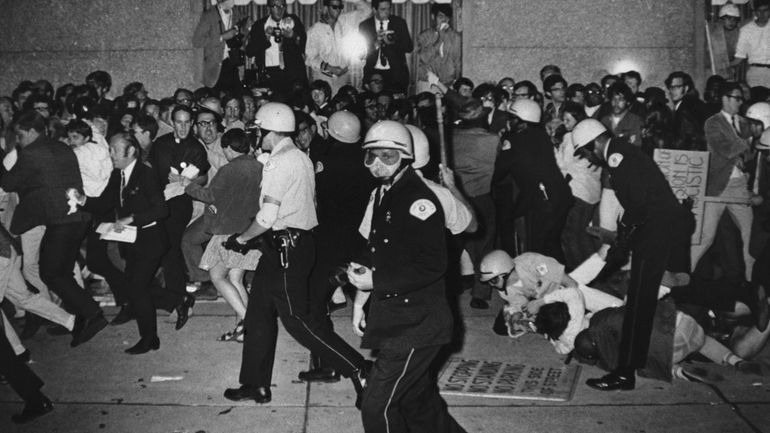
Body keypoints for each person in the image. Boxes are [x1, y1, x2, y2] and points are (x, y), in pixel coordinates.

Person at [222, 102, 369, 405]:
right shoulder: (300, 156)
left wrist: (240, 239)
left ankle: (361, 368)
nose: (256, 135)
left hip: (287, 248)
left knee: (297, 321)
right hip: (286, 246)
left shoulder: (280, 163)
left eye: (258, 130)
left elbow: (266, 216)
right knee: (258, 314)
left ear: (268, 131)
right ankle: (255, 384)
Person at [346, 120, 466, 433]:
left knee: (376, 406)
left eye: (388, 156)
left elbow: (432, 265)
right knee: (417, 401)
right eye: (371, 156)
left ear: (407, 158)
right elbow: (375, 249)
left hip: (416, 324)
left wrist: (375, 281)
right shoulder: (385, 192)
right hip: (399, 318)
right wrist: (361, 301)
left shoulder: (419, 200)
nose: (376, 164)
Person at [572, 118, 692, 390]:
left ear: (594, 143)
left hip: (655, 233)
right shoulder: (623, 152)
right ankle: (626, 369)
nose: (589, 158)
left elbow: (637, 205)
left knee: (639, 303)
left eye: (586, 151)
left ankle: (625, 372)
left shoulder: (617, 157)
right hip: (657, 231)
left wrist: (622, 242)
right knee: (641, 301)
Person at [75, 133, 188, 354]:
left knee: (136, 288)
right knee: (135, 286)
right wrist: (83, 200)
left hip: (151, 241)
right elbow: (106, 202)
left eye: (114, 151)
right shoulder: (118, 175)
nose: (111, 155)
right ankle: (179, 299)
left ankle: (149, 339)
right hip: (132, 241)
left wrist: (132, 218)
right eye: (110, 150)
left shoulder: (146, 173)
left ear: (130, 152)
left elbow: (160, 209)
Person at [1, 111, 106, 348]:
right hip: (76, 216)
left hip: (63, 221)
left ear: (31, 132)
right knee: (60, 270)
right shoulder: (60, 147)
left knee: (50, 272)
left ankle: (91, 314)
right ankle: (84, 316)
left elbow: (8, 183)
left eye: (20, 135)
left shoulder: (32, 153)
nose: (18, 140)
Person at [300, 110, 373, 382]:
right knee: (369, 299)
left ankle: (327, 363)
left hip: (329, 244)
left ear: (330, 132)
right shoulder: (368, 160)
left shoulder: (324, 161)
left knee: (313, 305)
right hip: (362, 242)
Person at [184, 128, 263, 342]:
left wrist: (187, 185)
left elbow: (209, 195)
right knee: (235, 279)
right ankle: (243, 329)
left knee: (217, 277)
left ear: (228, 148)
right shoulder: (260, 167)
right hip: (252, 231)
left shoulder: (229, 169)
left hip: (229, 232)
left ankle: (250, 321)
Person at [148, 105, 209, 328]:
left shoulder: (196, 147)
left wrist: (186, 181)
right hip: (158, 200)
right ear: (172, 123)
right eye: (179, 122)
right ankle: (177, 298)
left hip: (179, 203)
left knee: (171, 249)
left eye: (187, 122)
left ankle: (179, 300)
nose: (183, 127)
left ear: (191, 123)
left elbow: (201, 177)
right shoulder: (160, 145)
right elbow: (158, 173)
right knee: (163, 251)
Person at [691, 83, 758, 282]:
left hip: (738, 185)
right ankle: (684, 276)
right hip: (717, 186)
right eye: (737, 98)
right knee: (705, 237)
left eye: (741, 98)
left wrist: (745, 152)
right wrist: (748, 138)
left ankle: (750, 283)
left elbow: (750, 154)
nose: (741, 102)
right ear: (725, 98)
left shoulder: (745, 122)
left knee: (751, 237)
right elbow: (725, 149)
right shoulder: (713, 123)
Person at [245, 0, 307, 97]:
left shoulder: (293, 21)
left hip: (293, 76)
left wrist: (293, 35)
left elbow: (304, 45)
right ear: (268, 7)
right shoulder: (260, 25)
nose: (279, 9)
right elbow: (249, 51)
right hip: (270, 76)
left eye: (282, 5)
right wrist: (265, 38)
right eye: (275, 6)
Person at [359, 0, 413, 95]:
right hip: (373, 73)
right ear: (374, 10)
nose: (387, 12)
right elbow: (360, 54)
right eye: (383, 9)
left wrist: (391, 43)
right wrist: (374, 44)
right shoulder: (365, 26)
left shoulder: (399, 23)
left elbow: (409, 47)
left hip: (395, 74)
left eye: (388, 8)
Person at [193, 0, 244, 93]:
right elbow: (197, 41)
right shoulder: (209, 15)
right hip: (216, 68)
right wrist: (222, 37)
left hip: (233, 64)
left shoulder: (237, 13)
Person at [305, 0, 350, 95]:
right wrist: (331, 68)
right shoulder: (315, 30)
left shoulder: (343, 26)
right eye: (334, 7)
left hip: (343, 78)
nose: (338, 10)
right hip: (324, 78)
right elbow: (310, 58)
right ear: (326, 7)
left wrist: (347, 66)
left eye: (340, 7)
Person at [415, 3, 461, 94]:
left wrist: (458, 82)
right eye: (440, 17)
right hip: (427, 83)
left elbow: (457, 62)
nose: (444, 20)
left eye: (447, 18)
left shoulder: (455, 37)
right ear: (433, 17)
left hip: (447, 83)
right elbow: (424, 58)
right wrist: (439, 38)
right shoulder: (424, 36)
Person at [733, 0, 770, 87]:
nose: (762, 14)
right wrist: (725, 65)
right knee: (756, 99)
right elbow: (739, 56)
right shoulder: (746, 30)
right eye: (759, 11)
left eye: (765, 10)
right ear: (755, 12)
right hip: (755, 72)